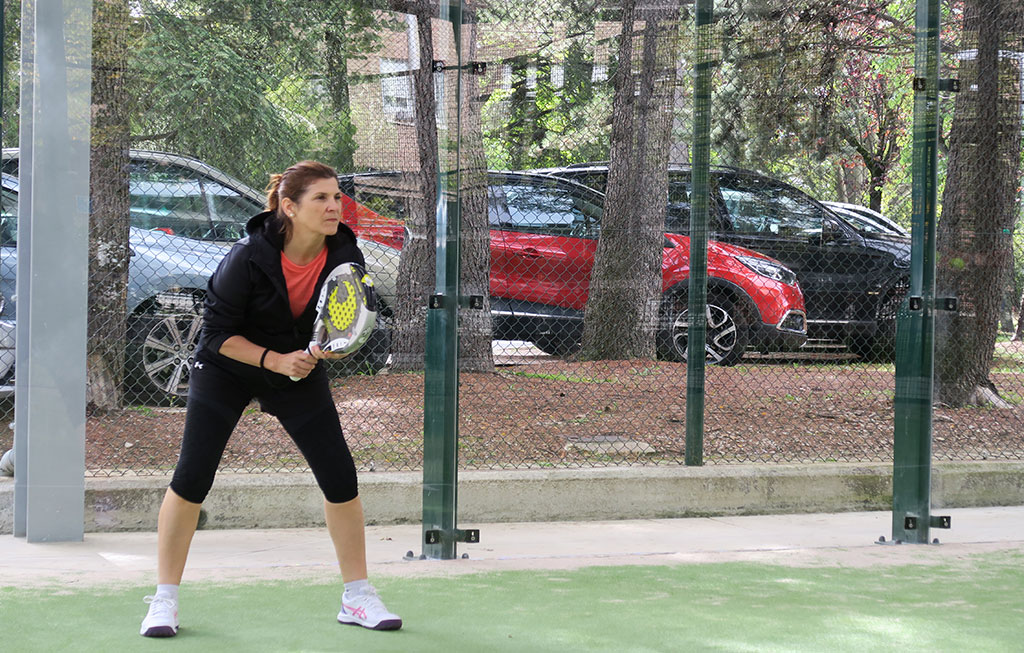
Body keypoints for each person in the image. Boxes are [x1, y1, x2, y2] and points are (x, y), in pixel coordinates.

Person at [139, 160, 401, 637]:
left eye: (337, 197)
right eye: (321, 198)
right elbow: (216, 335)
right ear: (289, 206)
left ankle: (358, 596)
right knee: (192, 477)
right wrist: (276, 361)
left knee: (340, 477)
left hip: (296, 369)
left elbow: (344, 316)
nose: (333, 206)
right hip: (226, 370)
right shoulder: (247, 256)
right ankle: (164, 600)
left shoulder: (344, 250)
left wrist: (328, 349)